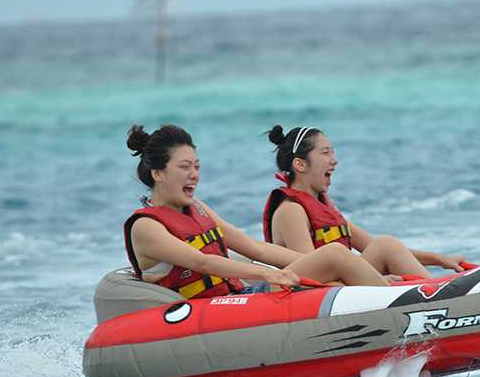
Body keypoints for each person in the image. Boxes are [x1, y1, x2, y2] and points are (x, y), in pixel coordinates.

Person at [124, 124, 389, 299]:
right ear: (157, 173)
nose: (194, 175)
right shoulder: (146, 227)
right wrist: (266, 273)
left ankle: (400, 300)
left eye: (197, 166)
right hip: (212, 312)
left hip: (241, 297)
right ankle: (400, 306)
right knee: (334, 255)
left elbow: (257, 249)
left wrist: (307, 264)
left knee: (336, 263)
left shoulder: (199, 210)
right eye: (184, 167)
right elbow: (202, 263)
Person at [263, 125, 465, 279]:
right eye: (325, 153)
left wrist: (438, 259)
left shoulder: (322, 207)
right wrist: (376, 282)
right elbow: (309, 275)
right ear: (300, 164)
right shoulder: (291, 211)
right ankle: (438, 300)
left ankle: (434, 293)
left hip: (343, 281)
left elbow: (382, 249)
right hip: (313, 297)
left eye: (333, 152)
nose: (334, 160)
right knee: (385, 244)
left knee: (386, 244)